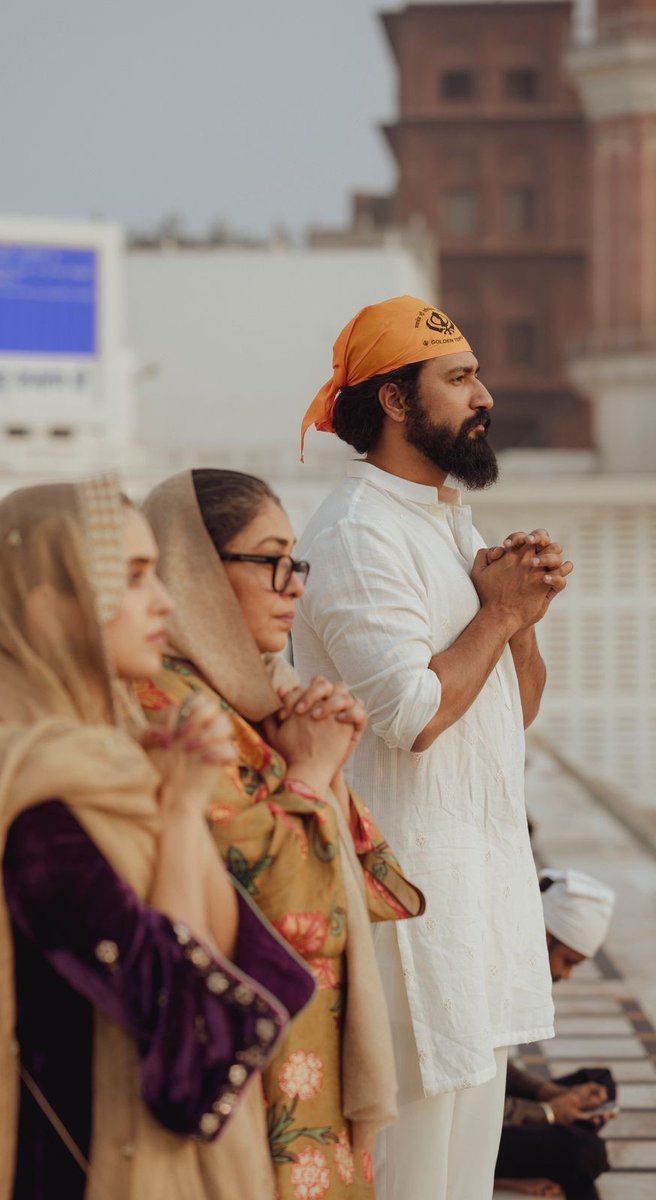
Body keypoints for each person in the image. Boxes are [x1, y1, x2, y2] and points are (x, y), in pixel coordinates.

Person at [0, 477, 315, 1200]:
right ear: (53, 611)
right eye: (134, 579)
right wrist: (177, 816)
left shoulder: (113, 763)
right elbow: (179, 1025)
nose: (163, 600)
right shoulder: (32, 798)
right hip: (77, 1166)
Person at [293, 296, 574, 1200]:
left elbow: (509, 713)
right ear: (397, 402)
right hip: (407, 914)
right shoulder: (356, 535)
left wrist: (520, 619)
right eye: (457, 379)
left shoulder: (448, 521)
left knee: (463, 1176)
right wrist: (494, 610)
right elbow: (414, 716)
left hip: (479, 908)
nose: (483, 395)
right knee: (412, 1180)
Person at [139, 468, 425, 1200]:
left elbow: (377, 890)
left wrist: (325, 761)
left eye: (294, 561)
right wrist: (308, 772)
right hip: (245, 1057)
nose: (293, 584)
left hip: (301, 1053)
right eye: (269, 560)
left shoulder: (253, 697)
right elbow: (285, 911)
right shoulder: (165, 704)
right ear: (195, 571)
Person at [495, 869, 617, 1200]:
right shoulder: (493, 968)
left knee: (601, 1082)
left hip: (497, 1105)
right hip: (472, 1125)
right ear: (545, 935)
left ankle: (572, 1120)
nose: (565, 974)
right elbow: (475, 1091)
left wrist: (550, 1093)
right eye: (567, 960)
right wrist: (548, 1114)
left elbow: (496, 1064)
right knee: (582, 1151)